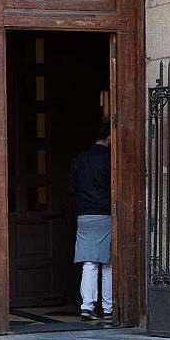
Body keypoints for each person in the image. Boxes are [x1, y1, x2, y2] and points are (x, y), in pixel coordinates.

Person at [69, 125, 112, 321]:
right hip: (105, 215)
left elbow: (71, 188)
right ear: (109, 138)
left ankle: (87, 306)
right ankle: (109, 308)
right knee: (108, 263)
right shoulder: (110, 159)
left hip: (85, 216)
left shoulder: (79, 159)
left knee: (89, 263)